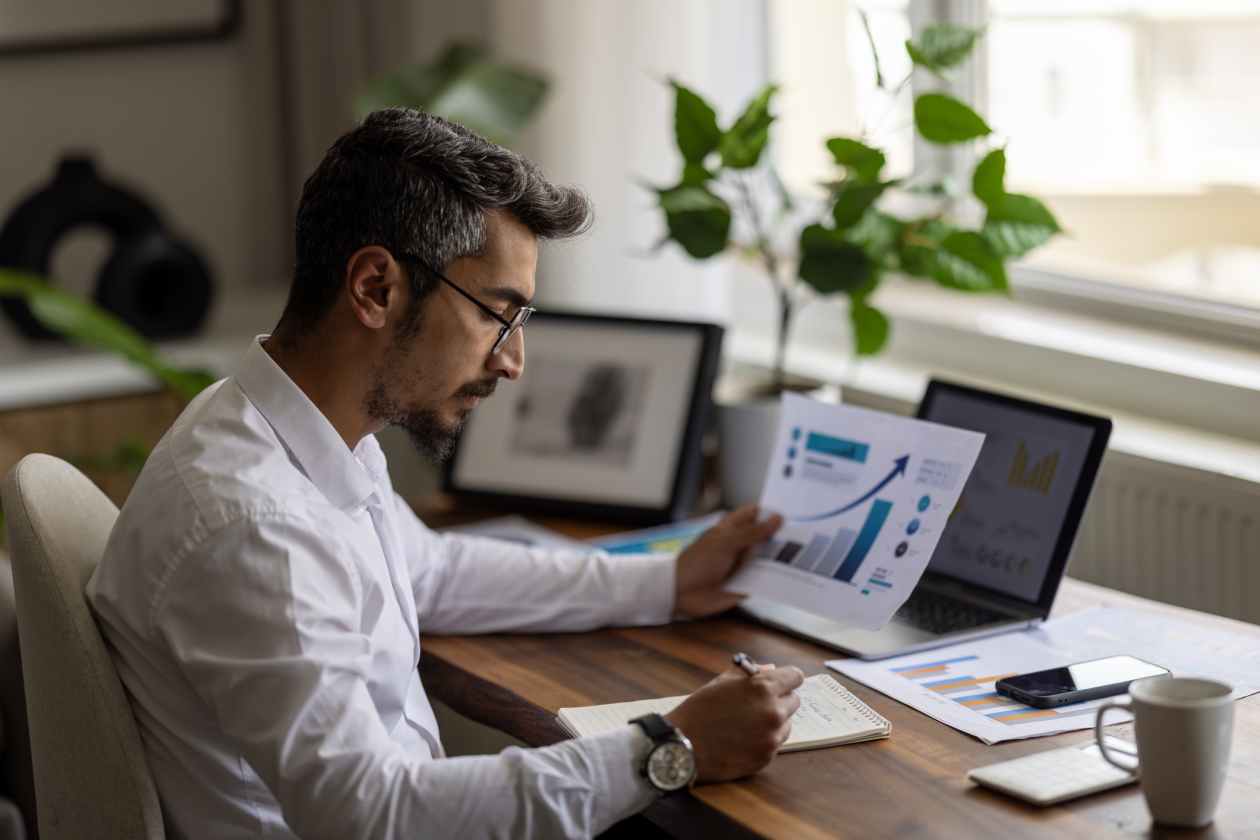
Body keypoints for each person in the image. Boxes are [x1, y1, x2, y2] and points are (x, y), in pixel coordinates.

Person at [87, 108, 804, 839]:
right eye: (499, 315)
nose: (513, 360)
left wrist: (667, 582)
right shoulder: (253, 524)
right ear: (375, 287)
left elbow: (434, 569)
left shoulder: (289, 430)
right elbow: (371, 815)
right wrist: (669, 749)